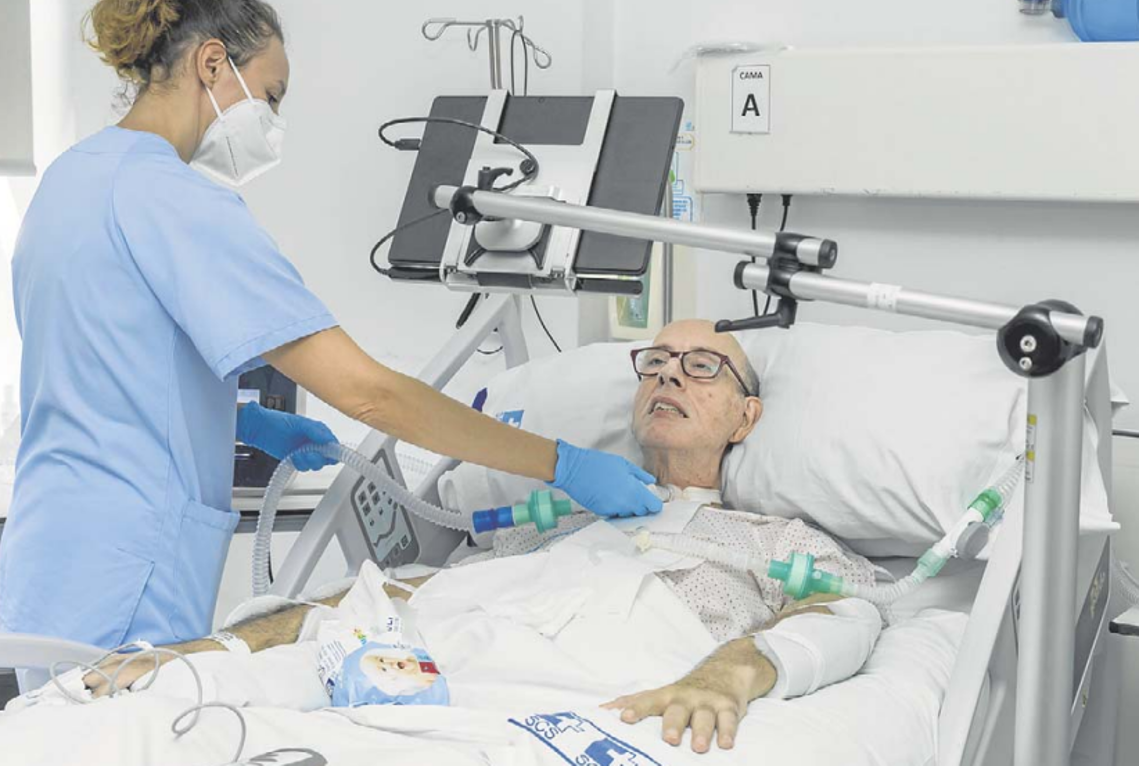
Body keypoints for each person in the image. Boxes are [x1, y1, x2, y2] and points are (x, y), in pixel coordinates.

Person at [0, 0, 660, 655]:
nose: (274, 122)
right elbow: (371, 395)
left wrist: (247, 423)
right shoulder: (178, 201)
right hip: (127, 575)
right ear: (212, 64)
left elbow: (100, 373)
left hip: (48, 559)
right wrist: (564, 465)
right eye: (272, 95)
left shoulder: (73, 178)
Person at [85, 320, 884, 753]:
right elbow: (394, 594)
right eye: (657, 361)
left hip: (557, 704)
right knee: (122, 721)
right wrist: (211, 649)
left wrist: (723, 677)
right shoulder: (558, 519)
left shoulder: (775, 539)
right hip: (415, 680)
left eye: (704, 367)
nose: (670, 375)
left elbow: (849, 615)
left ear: (750, 415)